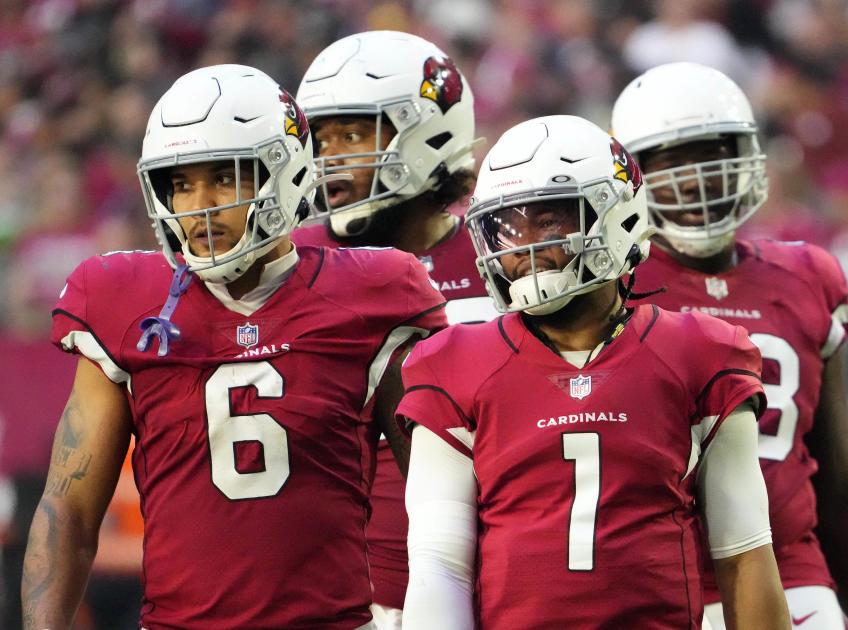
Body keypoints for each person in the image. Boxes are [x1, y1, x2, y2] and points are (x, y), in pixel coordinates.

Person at [20, 64, 447, 630]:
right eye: (182, 182)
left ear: (285, 173)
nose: (199, 206)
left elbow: (438, 498)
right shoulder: (122, 302)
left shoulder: (375, 293)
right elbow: (68, 511)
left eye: (225, 178)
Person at [398, 114, 791, 630]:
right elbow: (439, 567)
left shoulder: (700, 353)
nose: (523, 248)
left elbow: (744, 550)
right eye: (507, 226)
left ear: (616, 215)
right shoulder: (453, 363)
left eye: (548, 222)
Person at [610, 61, 848, 630]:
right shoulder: (610, 286)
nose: (696, 178)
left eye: (711, 154)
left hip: (794, 573)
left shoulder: (807, 275)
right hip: (663, 580)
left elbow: (840, 485)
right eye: (669, 162)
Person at [291, 30, 495, 629]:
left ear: (432, 130)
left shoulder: (513, 253)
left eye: (351, 136)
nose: (328, 161)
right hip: (342, 595)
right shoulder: (289, 263)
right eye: (318, 140)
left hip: (501, 580)